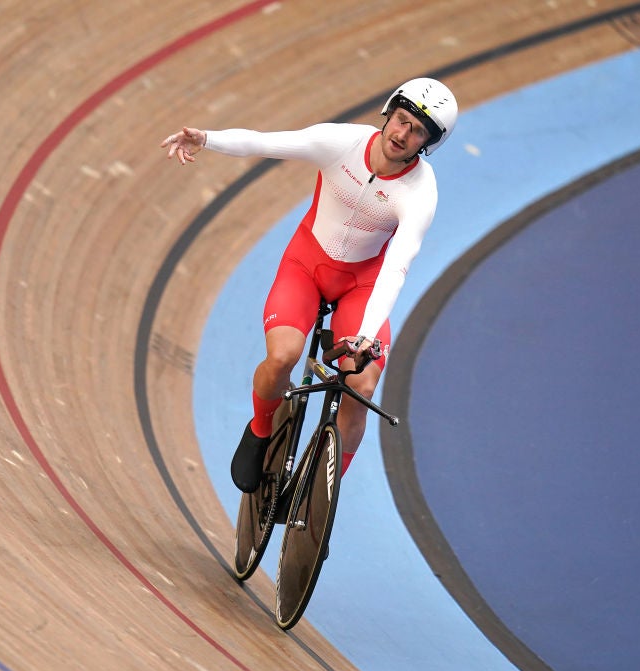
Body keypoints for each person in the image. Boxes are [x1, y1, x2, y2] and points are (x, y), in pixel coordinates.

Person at [161, 78, 458, 493]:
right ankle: (261, 429)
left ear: (427, 143)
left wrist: (366, 337)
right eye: (401, 121)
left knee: (362, 386)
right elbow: (264, 143)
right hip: (307, 265)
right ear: (389, 112)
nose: (402, 134)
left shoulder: (420, 192)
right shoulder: (340, 143)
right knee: (283, 356)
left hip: (363, 284)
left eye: (416, 131)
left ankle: (321, 497)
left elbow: (397, 266)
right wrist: (207, 138)